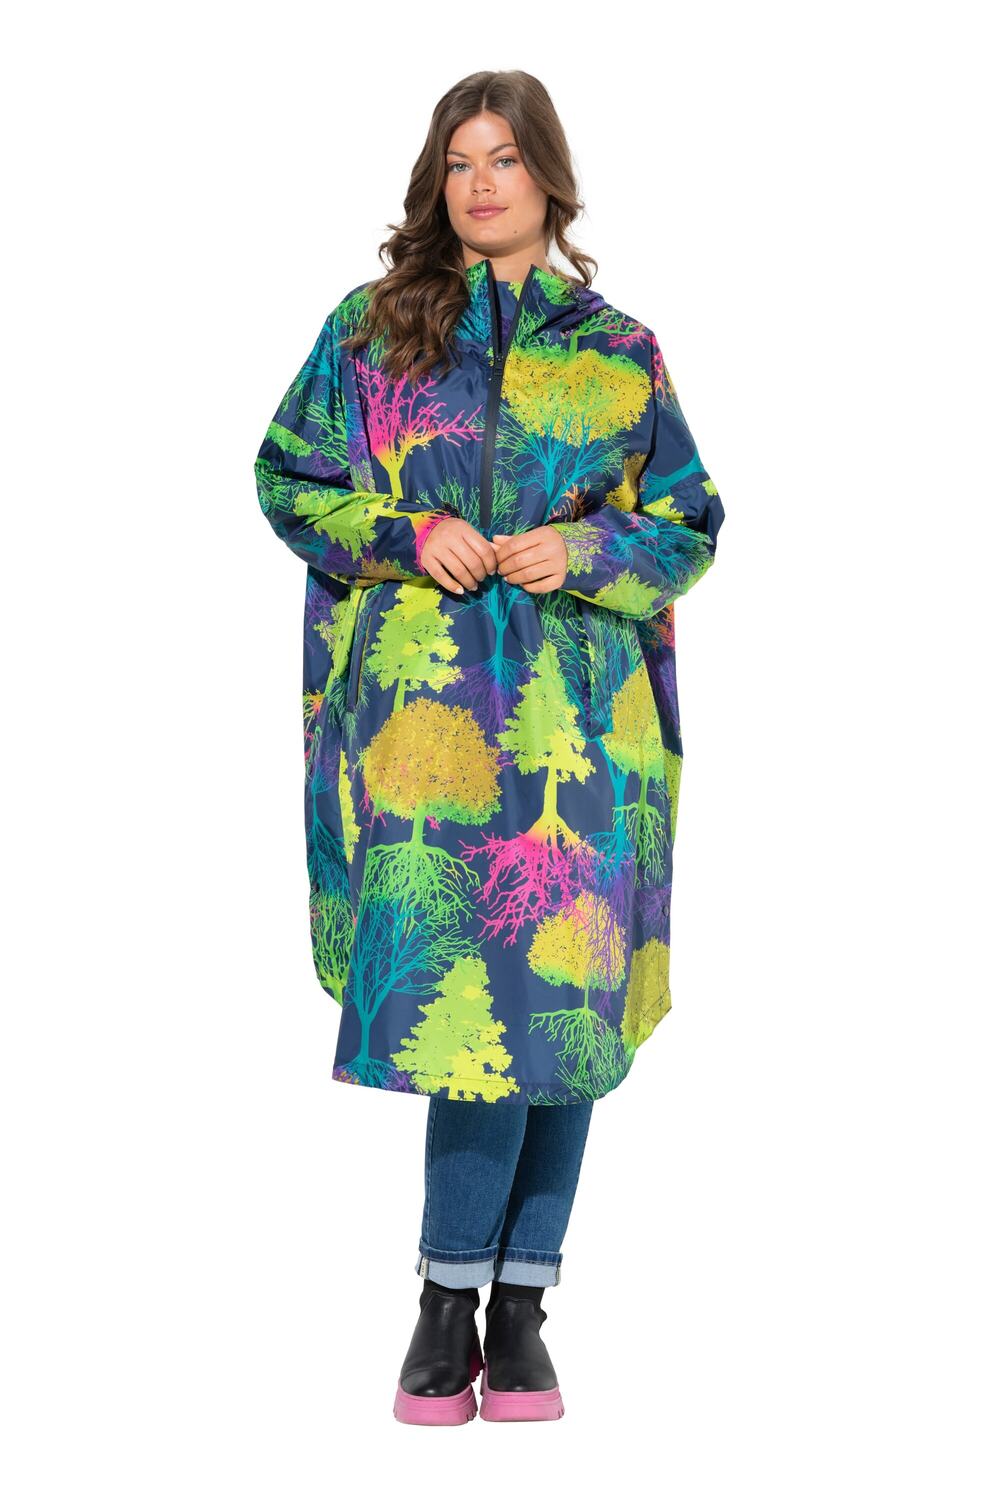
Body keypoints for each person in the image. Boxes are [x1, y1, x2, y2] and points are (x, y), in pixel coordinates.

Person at [253, 69, 725, 1426]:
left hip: (582, 731)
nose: (480, 183)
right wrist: (412, 534)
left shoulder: (619, 350)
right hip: (426, 731)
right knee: (476, 1009)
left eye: (504, 158)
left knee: (566, 1003)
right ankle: (446, 1294)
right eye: (459, 161)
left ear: (547, 178)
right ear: (436, 181)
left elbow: (691, 522)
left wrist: (585, 550)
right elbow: (288, 477)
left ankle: (519, 1305)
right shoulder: (372, 334)